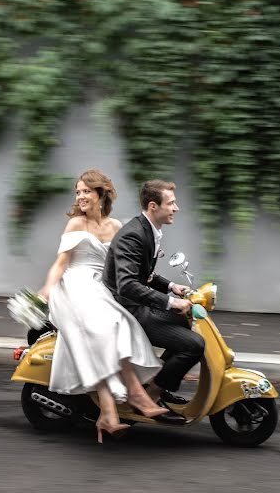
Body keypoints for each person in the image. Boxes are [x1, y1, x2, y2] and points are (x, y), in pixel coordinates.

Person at [38, 169, 169, 443]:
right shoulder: (75, 224)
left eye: (86, 191)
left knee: (120, 324)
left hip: (101, 287)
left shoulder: (116, 227)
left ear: (101, 194)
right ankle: (130, 398)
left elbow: (126, 267)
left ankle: (109, 413)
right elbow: (61, 263)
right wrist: (48, 288)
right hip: (74, 285)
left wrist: (163, 286)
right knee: (104, 325)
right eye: (78, 192)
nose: (81, 196)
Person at [102, 179, 204, 419]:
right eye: (171, 203)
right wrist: (170, 301)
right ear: (153, 206)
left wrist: (170, 286)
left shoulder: (148, 229)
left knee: (182, 323)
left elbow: (144, 273)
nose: (176, 208)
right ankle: (150, 395)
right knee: (195, 345)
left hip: (136, 303)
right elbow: (127, 285)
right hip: (126, 309)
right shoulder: (134, 235)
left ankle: (161, 385)